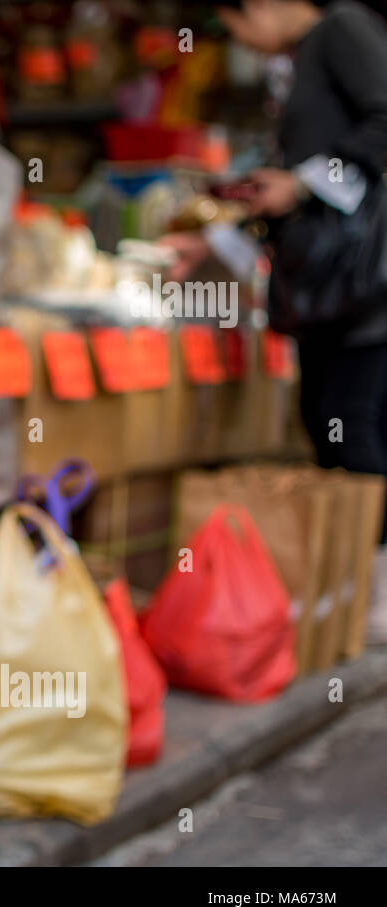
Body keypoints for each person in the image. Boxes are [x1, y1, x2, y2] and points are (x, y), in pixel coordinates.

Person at [162, 0, 387, 639]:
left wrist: (302, 183)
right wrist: (218, 245)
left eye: (234, 26)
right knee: (333, 423)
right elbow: (293, 201)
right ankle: (351, 585)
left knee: (350, 426)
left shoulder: (341, 28)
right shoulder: (300, 61)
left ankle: (370, 588)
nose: (246, 43)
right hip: (329, 292)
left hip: (360, 290)